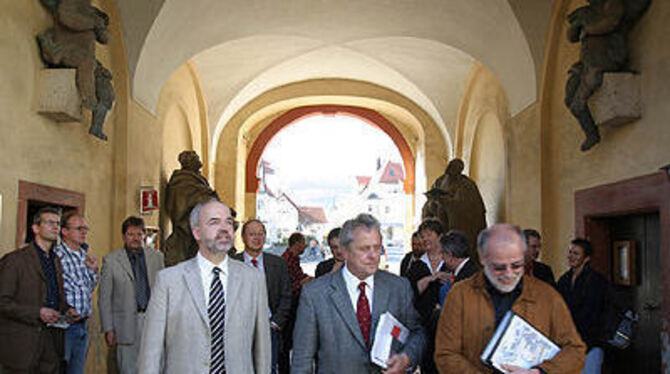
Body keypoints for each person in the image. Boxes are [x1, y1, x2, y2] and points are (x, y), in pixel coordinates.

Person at [137, 199, 271, 373]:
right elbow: (151, 353)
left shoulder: (254, 280)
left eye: (228, 222)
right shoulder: (169, 281)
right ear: (197, 232)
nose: (224, 228)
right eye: (214, 222)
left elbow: (262, 349)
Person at [435, 224, 586, 373]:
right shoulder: (460, 294)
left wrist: (540, 372)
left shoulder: (546, 296)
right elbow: (446, 354)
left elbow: (575, 351)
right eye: (499, 267)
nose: (509, 274)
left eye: (516, 266)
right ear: (482, 258)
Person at [291, 213, 426, 373]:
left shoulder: (398, 287)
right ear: (345, 251)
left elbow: (417, 333)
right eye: (364, 248)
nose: (373, 255)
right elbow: (302, 360)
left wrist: (406, 358)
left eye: (377, 247)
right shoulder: (315, 294)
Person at [0, 207, 77, 373]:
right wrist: (37, 312)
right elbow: (3, 302)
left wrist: (67, 309)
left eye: (57, 223)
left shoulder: (55, 260)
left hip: (52, 340)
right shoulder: (15, 260)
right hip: (22, 343)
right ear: (35, 228)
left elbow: (56, 295)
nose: (55, 227)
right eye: (49, 223)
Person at [98, 216, 164, 374]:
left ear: (144, 236)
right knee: (128, 369)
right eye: (131, 234)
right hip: (125, 324)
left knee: (154, 367)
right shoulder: (112, 261)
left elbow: (164, 291)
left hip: (152, 320)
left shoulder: (157, 257)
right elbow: (104, 298)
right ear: (123, 236)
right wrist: (108, 328)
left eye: (139, 234)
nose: (135, 238)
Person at [233, 219, 292, 374]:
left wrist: (275, 323)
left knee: (267, 369)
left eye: (261, 234)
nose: (257, 238)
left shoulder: (278, 264)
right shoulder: (231, 263)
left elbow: (287, 295)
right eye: (252, 234)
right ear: (243, 237)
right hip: (238, 329)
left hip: (268, 328)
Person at [54, 212, 99, 374]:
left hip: (83, 325)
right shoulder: (57, 255)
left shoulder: (83, 256)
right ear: (64, 231)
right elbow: (52, 289)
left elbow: (88, 288)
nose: (84, 232)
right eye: (79, 228)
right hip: (64, 326)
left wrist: (94, 271)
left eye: (85, 228)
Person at [557, 238, 608, 374]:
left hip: (590, 342)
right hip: (567, 344)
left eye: (576, 253)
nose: (571, 256)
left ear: (586, 258)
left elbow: (595, 313)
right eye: (570, 252)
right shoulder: (564, 280)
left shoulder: (597, 281)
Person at [406, 219, 448, 374]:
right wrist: (430, 278)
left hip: (448, 322)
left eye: (429, 235)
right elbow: (409, 293)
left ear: (440, 236)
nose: (425, 239)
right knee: (427, 362)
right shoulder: (417, 265)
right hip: (423, 322)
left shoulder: (450, 261)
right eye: (422, 236)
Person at [164, 150, 219, 265]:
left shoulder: (196, 179)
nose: (199, 162)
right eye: (195, 160)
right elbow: (188, 199)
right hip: (186, 224)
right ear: (188, 163)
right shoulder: (182, 180)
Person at [280, 232, 312, 373]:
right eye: (303, 242)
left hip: (295, 305)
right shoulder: (286, 260)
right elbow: (287, 287)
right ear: (297, 243)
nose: (305, 245)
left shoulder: (294, 259)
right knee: (286, 344)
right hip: (289, 307)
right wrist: (303, 282)